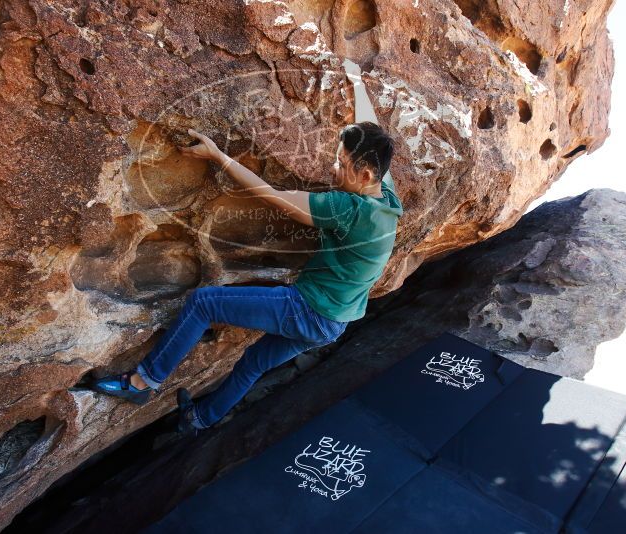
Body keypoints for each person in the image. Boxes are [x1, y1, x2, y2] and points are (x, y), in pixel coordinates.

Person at [89, 60, 404, 436]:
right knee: (254, 363)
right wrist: (356, 83)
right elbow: (375, 132)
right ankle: (200, 420)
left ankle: (142, 383)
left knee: (204, 304)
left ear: (364, 174)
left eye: (341, 163)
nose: (334, 168)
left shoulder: (348, 209)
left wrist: (219, 157)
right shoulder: (386, 196)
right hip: (335, 323)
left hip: (309, 310)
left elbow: (269, 195)